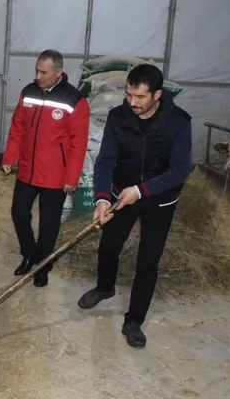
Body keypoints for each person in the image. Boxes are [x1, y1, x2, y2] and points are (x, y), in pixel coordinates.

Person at [77, 63, 192, 348]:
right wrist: (102, 198)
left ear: (157, 95)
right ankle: (105, 288)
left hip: (159, 199)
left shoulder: (178, 122)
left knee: (147, 261)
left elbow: (180, 170)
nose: (132, 102)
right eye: (129, 95)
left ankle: (134, 320)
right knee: (109, 245)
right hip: (122, 194)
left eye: (140, 97)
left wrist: (142, 191)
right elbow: (105, 161)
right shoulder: (119, 117)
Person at [2, 49, 90, 287]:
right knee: (19, 213)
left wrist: (71, 177)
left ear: (59, 72)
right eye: (37, 71)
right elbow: (18, 126)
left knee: (49, 224)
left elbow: (78, 143)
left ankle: (42, 266)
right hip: (27, 169)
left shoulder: (75, 100)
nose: (38, 76)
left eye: (43, 72)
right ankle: (29, 254)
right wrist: (10, 157)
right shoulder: (29, 92)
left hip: (56, 174)